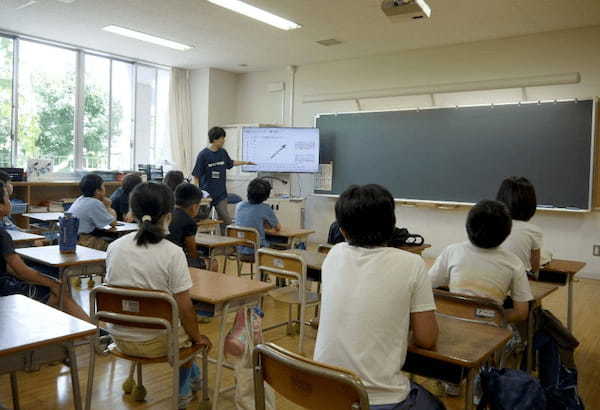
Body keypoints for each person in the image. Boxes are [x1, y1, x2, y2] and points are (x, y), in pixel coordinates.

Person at [314, 184, 442, 409]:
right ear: (392, 224)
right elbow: (427, 340)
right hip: (378, 400)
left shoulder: (334, 254)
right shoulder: (412, 264)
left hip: (326, 391)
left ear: (342, 230)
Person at [105, 182, 212, 409]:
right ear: (168, 215)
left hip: (120, 339)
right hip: (157, 342)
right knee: (192, 336)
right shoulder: (172, 253)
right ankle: (183, 391)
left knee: (184, 333)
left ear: (131, 213)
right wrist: (198, 338)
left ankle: (193, 378)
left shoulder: (114, 247)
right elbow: (185, 309)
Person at [428, 200, 533, 322]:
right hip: (491, 332)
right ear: (507, 232)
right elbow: (521, 313)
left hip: (454, 323)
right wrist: (494, 318)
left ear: (468, 226)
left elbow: (426, 285)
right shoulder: (514, 263)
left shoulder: (452, 252)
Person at [0, 181, 89, 322]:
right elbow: (20, 271)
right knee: (59, 292)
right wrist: (52, 283)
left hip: (6, 283)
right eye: (7, 199)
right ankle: (93, 336)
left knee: (50, 285)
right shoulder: (2, 235)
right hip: (5, 291)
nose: (10, 202)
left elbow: (10, 268)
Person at [192, 126, 254, 234]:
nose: (224, 140)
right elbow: (196, 175)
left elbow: (230, 163)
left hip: (221, 194)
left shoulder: (222, 152)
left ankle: (230, 246)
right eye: (222, 138)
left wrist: (246, 162)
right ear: (215, 139)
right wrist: (198, 193)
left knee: (226, 221)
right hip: (207, 195)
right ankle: (204, 247)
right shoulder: (203, 155)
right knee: (203, 221)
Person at [496, 177, 543, 277]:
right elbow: (534, 268)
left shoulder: (489, 224)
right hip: (517, 282)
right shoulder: (533, 231)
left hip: (489, 279)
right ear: (531, 204)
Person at [167, 183, 217, 271]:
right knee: (212, 263)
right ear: (194, 207)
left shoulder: (166, 213)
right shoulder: (189, 221)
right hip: (175, 261)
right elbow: (191, 252)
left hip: (159, 257)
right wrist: (200, 258)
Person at [68, 174, 117, 250]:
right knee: (116, 246)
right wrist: (108, 206)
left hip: (73, 240)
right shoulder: (94, 203)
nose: (105, 189)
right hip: (85, 242)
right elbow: (113, 223)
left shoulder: (80, 199)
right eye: (103, 186)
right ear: (98, 191)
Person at [234, 178, 281, 256]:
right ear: (266, 196)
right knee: (285, 245)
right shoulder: (265, 208)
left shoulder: (239, 205)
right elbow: (278, 228)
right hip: (258, 250)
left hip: (239, 249)